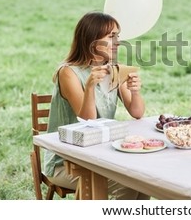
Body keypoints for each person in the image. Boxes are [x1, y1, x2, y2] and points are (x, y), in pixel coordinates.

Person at [44, 11, 148, 199]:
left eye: (118, 36)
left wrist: (135, 91)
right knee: (129, 183)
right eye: (111, 37)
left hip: (101, 155)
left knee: (143, 180)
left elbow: (137, 112)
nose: (117, 42)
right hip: (67, 162)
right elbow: (87, 120)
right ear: (92, 40)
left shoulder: (114, 69)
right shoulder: (68, 73)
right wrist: (90, 86)